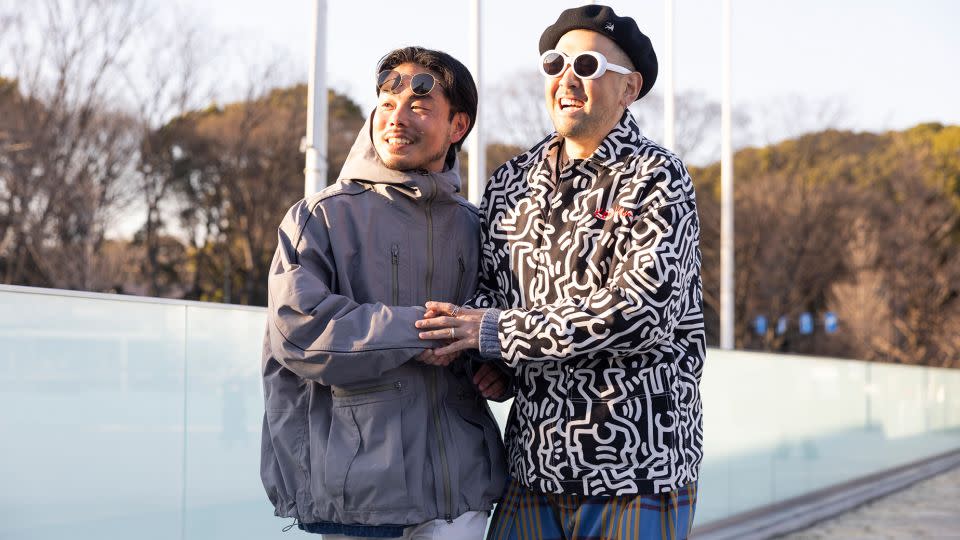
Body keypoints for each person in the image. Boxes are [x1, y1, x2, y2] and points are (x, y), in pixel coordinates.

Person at [415, 5, 704, 539]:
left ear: (629, 88)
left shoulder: (658, 175)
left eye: (589, 66)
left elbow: (641, 310)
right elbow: (490, 299)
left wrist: (496, 333)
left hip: (637, 467)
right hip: (533, 466)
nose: (567, 79)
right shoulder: (509, 183)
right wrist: (490, 361)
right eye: (555, 64)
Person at [260, 46, 508, 540]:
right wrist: (426, 331)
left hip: (461, 492)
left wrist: (497, 365)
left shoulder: (477, 226)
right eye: (387, 105)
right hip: (360, 494)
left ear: (457, 126)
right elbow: (302, 332)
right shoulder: (320, 216)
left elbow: (504, 317)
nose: (397, 118)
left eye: (419, 107)